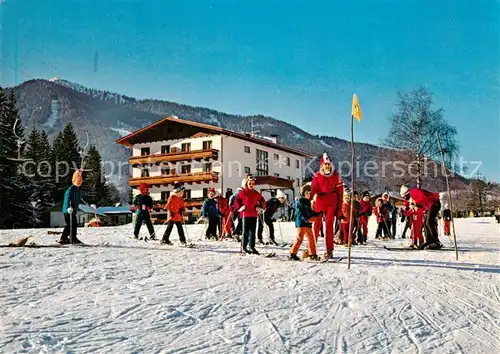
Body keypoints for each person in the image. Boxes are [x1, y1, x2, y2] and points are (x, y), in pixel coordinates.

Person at [311, 152, 344, 259]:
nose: (327, 166)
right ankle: (312, 249)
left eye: (328, 164)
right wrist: (309, 201)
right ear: (322, 165)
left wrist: (339, 208)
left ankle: (329, 250)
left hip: (331, 200)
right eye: (325, 164)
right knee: (316, 225)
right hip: (320, 200)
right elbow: (312, 191)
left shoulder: (336, 176)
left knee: (329, 226)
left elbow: (340, 193)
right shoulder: (317, 176)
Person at [400, 184, 442, 249]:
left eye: (404, 197)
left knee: (429, 222)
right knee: (425, 223)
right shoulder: (412, 197)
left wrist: (416, 203)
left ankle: (436, 241)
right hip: (430, 206)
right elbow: (421, 206)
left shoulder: (414, 192)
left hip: (434, 203)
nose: (404, 198)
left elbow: (422, 195)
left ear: (406, 194)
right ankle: (429, 241)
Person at [289, 183, 322, 261]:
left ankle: (312, 254)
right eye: (307, 193)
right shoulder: (301, 201)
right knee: (299, 238)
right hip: (301, 222)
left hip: (307, 223)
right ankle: (292, 254)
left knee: (311, 239)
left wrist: (318, 213)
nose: (308, 194)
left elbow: (310, 211)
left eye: (310, 193)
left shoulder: (307, 201)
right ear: (303, 193)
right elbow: (305, 211)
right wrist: (315, 214)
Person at [234, 174, 266, 254]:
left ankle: (252, 246)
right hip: (245, 215)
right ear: (246, 183)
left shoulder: (255, 193)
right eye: (250, 183)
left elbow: (262, 200)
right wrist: (240, 207)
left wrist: (260, 207)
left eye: (253, 183)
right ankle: (244, 246)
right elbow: (236, 200)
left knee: (252, 232)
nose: (252, 185)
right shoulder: (243, 192)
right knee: (245, 232)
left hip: (254, 215)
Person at [59, 169, 84, 244]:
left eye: (80, 181)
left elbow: (78, 200)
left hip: (73, 211)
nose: (79, 182)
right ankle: (70, 239)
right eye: (78, 180)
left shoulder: (77, 189)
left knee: (72, 224)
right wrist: (68, 208)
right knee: (71, 224)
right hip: (68, 211)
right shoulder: (71, 189)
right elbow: (67, 199)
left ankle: (66, 238)